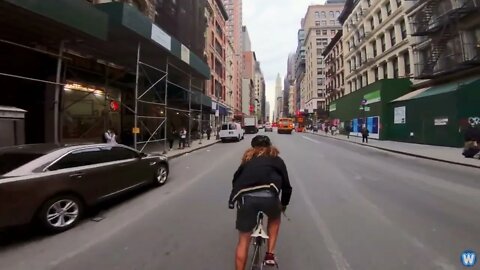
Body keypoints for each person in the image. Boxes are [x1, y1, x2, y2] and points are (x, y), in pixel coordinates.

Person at [229, 135, 292, 270]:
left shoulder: (247, 160)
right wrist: (284, 205)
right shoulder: (277, 160)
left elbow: (235, 180)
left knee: (243, 240)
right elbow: (287, 187)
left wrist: (236, 197)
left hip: (246, 199)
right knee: (275, 219)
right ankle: (270, 254)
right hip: (270, 198)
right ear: (269, 146)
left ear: (253, 147)